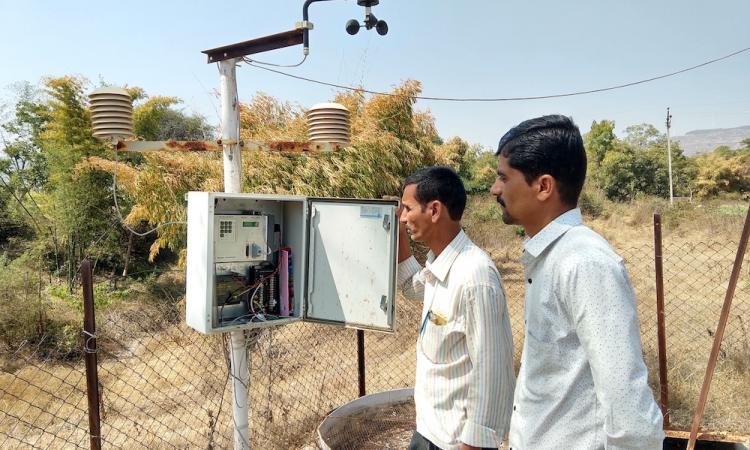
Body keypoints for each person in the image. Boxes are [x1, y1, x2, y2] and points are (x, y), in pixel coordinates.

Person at [490, 115, 664, 450]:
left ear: (543, 186)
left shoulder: (584, 263)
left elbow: (629, 409)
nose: (495, 189)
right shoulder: (550, 257)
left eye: (503, 177)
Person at [395, 166, 515, 450]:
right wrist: (399, 232)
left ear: (434, 210)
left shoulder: (475, 275)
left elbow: (494, 373)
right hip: (428, 431)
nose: (403, 216)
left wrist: (472, 444)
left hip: (454, 443)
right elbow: (411, 286)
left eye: (407, 209)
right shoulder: (440, 262)